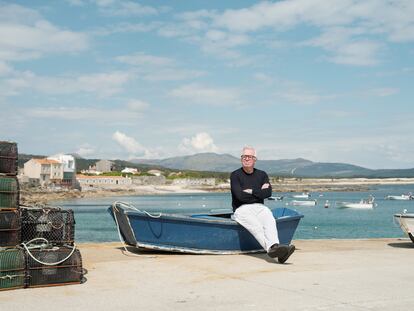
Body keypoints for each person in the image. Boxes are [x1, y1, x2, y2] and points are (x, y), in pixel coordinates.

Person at [230, 146, 295, 263]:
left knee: (270, 220)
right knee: (256, 227)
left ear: (255, 159)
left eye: (250, 156)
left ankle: (277, 250)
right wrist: (259, 192)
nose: (247, 159)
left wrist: (251, 191)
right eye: (244, 156)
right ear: (241, 159)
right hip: (241, 209)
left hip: (260, 207)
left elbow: (268, 193)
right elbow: (239, 196)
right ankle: (274, 249)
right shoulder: (235, 175)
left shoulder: (262, 175)